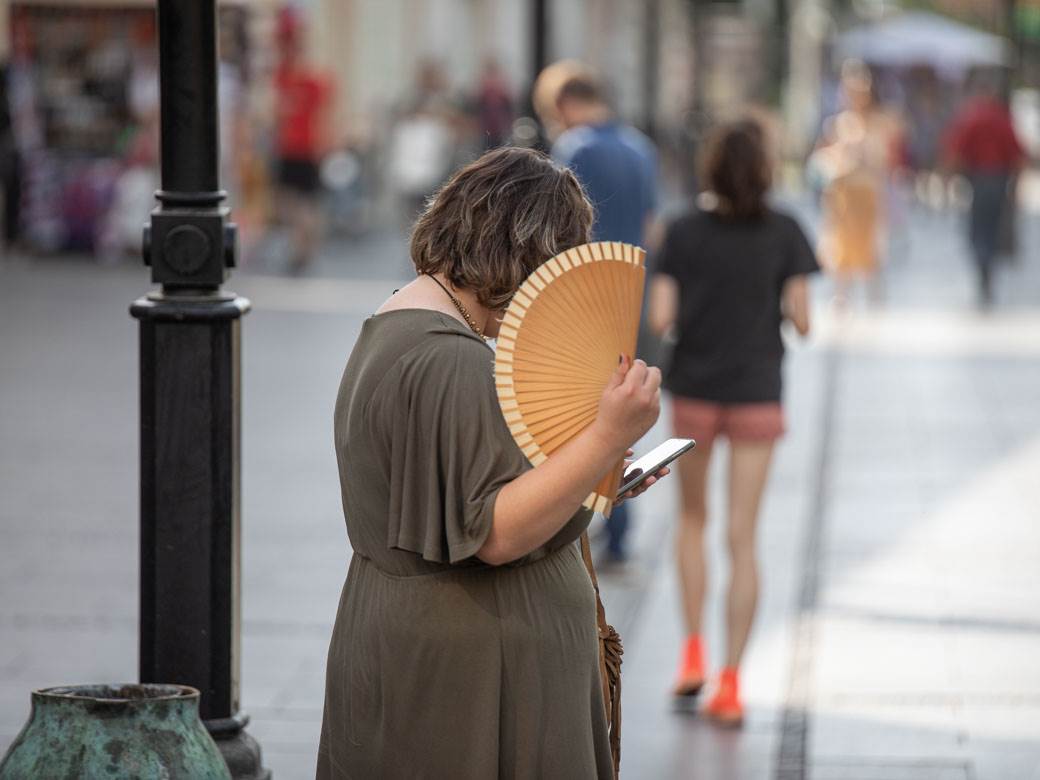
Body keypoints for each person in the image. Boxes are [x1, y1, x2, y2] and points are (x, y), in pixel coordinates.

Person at [317, 147, 667, 778]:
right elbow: (497, 532)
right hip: (468, 684)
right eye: (555, 267)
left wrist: (598, 472)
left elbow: (469, 492)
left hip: (447, 660)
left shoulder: (405, 324)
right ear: (522, 252)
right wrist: (608, 437)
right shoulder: (450, 361)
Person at [648, 119, 818, 726]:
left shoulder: (683, 229)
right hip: (756, 394)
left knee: (691, 521)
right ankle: (730, 683)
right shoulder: (787, 231)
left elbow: (663, 315)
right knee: (743, 538)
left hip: (694, 390)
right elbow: (802, 322)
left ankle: (691, 652)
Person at [541, 66, 659, 564]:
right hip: (632, 295)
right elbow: (654, 229)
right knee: (620, 413)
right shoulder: (640, 148)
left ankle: (580, 525)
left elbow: (552, 232)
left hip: (584, 296)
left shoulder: (575, 149)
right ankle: (621, 529)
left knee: (581, 417)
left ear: (565, 104)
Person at [944, 70, 1026, 308]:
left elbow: (955, 153)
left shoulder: (973, 117)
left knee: (980, 230)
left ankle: (984, 271)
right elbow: (1018, 157)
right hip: (995, 181)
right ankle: (986, 273)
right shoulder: (999, 118)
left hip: (982, 181)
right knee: (989, 229)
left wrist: (949, 181)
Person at [272, 6, 333, 272]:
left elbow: (324, 115)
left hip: (303, 148)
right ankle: (303, 247)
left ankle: (304, 249)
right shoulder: (285, 76)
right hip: (292, 147)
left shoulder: (310, 79)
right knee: (294, 203)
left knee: (301, 204)